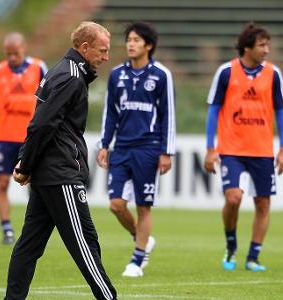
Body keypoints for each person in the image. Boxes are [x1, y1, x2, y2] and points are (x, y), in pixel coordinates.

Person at [5, 22, 117, 299]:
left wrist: (26, 163)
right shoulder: (71, 77)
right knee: (85, 244)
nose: (106, 57)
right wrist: (26, 164)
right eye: (102, 51)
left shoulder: (59, 70)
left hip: (48, 174)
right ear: (85, 48)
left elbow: (38, 122)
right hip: (61, 175)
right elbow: (42, 125)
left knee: (28, 247)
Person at [204, 22, 283, 272]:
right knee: (234, 198)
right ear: (247, 47)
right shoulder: (226, 72)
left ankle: (253, 256)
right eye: (262, 45)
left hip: (262, 150)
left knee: (263, 204)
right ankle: (231, 245)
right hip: (231, 149)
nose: (267, 49)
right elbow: (213, 110)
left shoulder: (273, 74)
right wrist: (211, 148)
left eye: (267, 44)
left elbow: (281, 111)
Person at [96, 22, 176, 278]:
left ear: (148, 46)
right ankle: (141, 238)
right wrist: (104, 144)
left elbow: (167, 115)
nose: (130, 43)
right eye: (129, 39)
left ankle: (137, 260)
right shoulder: (117, 75)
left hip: (149, 148)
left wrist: (166, 152)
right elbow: (110, 113)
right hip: (121, 148)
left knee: (143, 206)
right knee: (116, 205)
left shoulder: (161, 75)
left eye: (136, 40)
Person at [0, 32, 47, 245]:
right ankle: (7, 229)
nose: (12, 58)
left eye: (15, 53)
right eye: (8, 54)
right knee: (3, 182)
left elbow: (48, 101)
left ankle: (36, 228)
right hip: (5, 138)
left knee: (35, 184)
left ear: (24, 47)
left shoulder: (39, 67)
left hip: (30, 137)